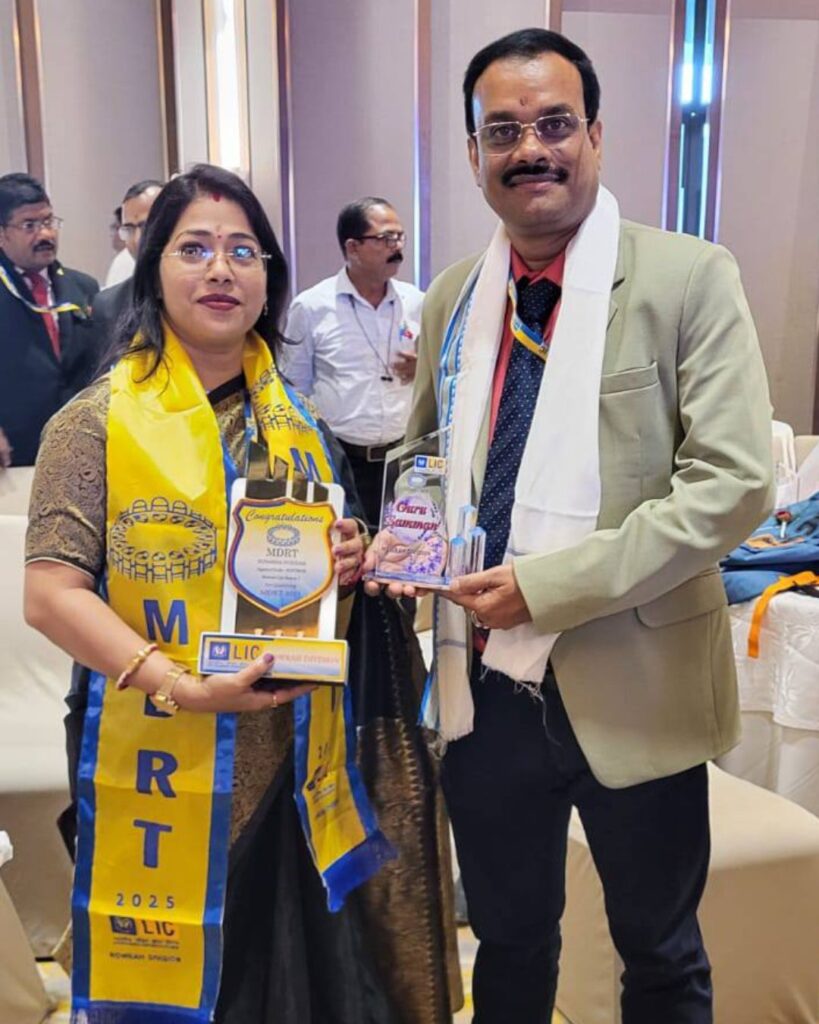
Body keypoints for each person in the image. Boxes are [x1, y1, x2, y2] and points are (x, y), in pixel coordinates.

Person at [366, 28, 773, 1024]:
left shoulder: (687, 277)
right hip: (481, 687)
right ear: (474, 153)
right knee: (507, 943)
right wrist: (398, 535)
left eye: (554, 124)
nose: (530, 149)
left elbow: (733, 484)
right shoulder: (457, 295)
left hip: (637, 684)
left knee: (660, 952)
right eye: (502, 131)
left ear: (594, 135)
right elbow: (422, 454)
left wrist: (549, 587)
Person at [24, 164, 459, 1023]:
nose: (220, 269)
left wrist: (349, 553)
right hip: (156, 736)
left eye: (242, 251)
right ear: (152, 271)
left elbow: (329, 564)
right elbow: (50, 592)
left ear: (268, 279)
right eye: (193, 249)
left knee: (293, 980)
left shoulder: (298, 421)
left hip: (295, 751)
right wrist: (181, 686)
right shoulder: (93, 422)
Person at [280, 198, 424, 530]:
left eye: (400, 237)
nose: (397, 247)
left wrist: (423, 367)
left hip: (402, 459)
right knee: (343, 549)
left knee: (400, 548)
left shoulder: (416, 301)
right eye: (385, 238)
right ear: (353, 247)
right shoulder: (312, 307)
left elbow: (438, 373)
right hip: (340, 460)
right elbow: (294, 389)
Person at [0, 172, 99, 466]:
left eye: (48, 221)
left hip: (81, 452)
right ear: (2, 234)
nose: (45, 234)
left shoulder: (83, 288)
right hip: (15, 457)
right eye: (29, 225)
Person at [94, 179, 163, 341]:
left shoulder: (205, 290)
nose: (138, 240)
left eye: (147, 226)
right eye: (129, 229)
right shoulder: (109, 306)